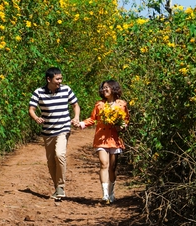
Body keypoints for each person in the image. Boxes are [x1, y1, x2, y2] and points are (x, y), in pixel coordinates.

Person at [29, 67, 80, 199]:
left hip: (63, 128)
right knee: (51, 161)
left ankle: (61, 187)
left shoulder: (66, 89)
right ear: (49, 79)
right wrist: (36, 118)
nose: (60, 81)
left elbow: (75, 105)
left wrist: (76, 117)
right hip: (48, 131)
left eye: (61, 78)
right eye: (57, 79)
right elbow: (31, 109)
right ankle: (57, 187)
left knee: (60, 154)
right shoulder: (39, 92)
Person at [79, 80, 129, 204]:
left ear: (114, 89)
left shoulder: (121, 105)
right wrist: (81, 124)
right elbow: (92, 118)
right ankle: (105, 194)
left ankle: (111, 193)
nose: (104, 90)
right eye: (103, 88)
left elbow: (126, 120)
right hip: (101, 138)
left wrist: (122, 126)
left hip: (114, 140)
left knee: (112, 167)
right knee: (103, 164)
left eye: (107, 87)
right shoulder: (99, 104)